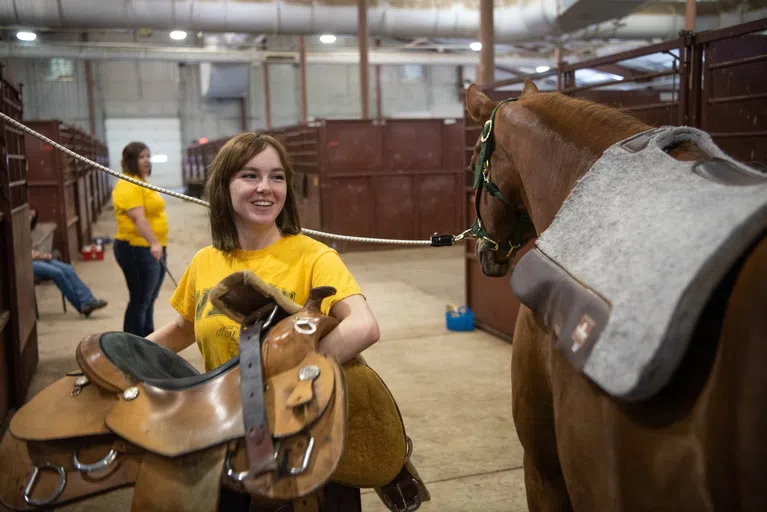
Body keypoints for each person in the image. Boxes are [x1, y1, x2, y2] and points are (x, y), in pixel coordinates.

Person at [146, 132, 380, 373]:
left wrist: (291, 371)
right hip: (223, 408)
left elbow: (363, 326)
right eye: (250, 176)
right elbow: (183, 329)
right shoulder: (204, 260)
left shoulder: (314, 257)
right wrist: (128, 353)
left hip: (287, 406)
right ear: (224, 185)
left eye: (277, 177)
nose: (265, 187)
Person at [112, 141, 169, 337]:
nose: (146, 160)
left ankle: (147, 337)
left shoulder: (142, 182)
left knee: (149, 298)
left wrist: (157, 243)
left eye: (147, 156)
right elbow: (138, 218)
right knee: (140, 299)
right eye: (141, 157)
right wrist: (154, 243)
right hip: (136, 248)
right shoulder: (128, 184)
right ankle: (132, 342)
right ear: (130, 161)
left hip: (152, 247)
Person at [29, 208, 107, 316]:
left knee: (67, 268)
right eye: (28, 215)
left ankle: (88, 300)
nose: (29, 218)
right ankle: (82, 305)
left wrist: (41, 255)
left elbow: (29, 250)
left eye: (32, 217)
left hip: (35, 258)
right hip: (27, 265)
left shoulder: (27, 230)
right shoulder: (15, 228)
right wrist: (38, 256)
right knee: (57, 273)